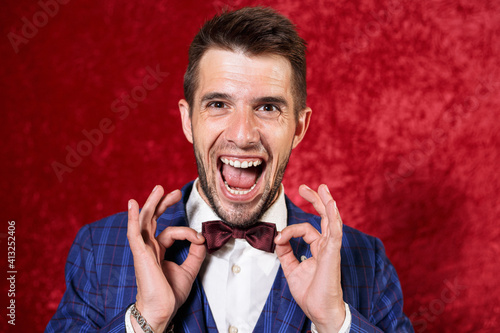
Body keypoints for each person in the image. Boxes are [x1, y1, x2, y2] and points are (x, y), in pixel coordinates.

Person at [46, 7, 414, 333]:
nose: (242, 135)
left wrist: (335, 324)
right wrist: (145, 321)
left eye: (268, 107)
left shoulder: (364, 258)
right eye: (219, 103)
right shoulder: (100, 250)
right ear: (188, 120)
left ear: (299, 129)